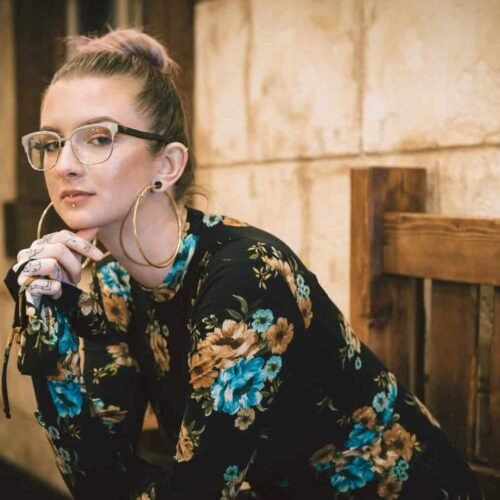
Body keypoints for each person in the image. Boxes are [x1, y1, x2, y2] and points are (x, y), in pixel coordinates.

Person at [2, 28, 482, 500]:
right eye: (52, 142)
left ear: (167, 165)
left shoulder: (246, 277)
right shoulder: (115, 283)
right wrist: (49, 328)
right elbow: (98, 481)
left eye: (97, 138)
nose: (64, 164)